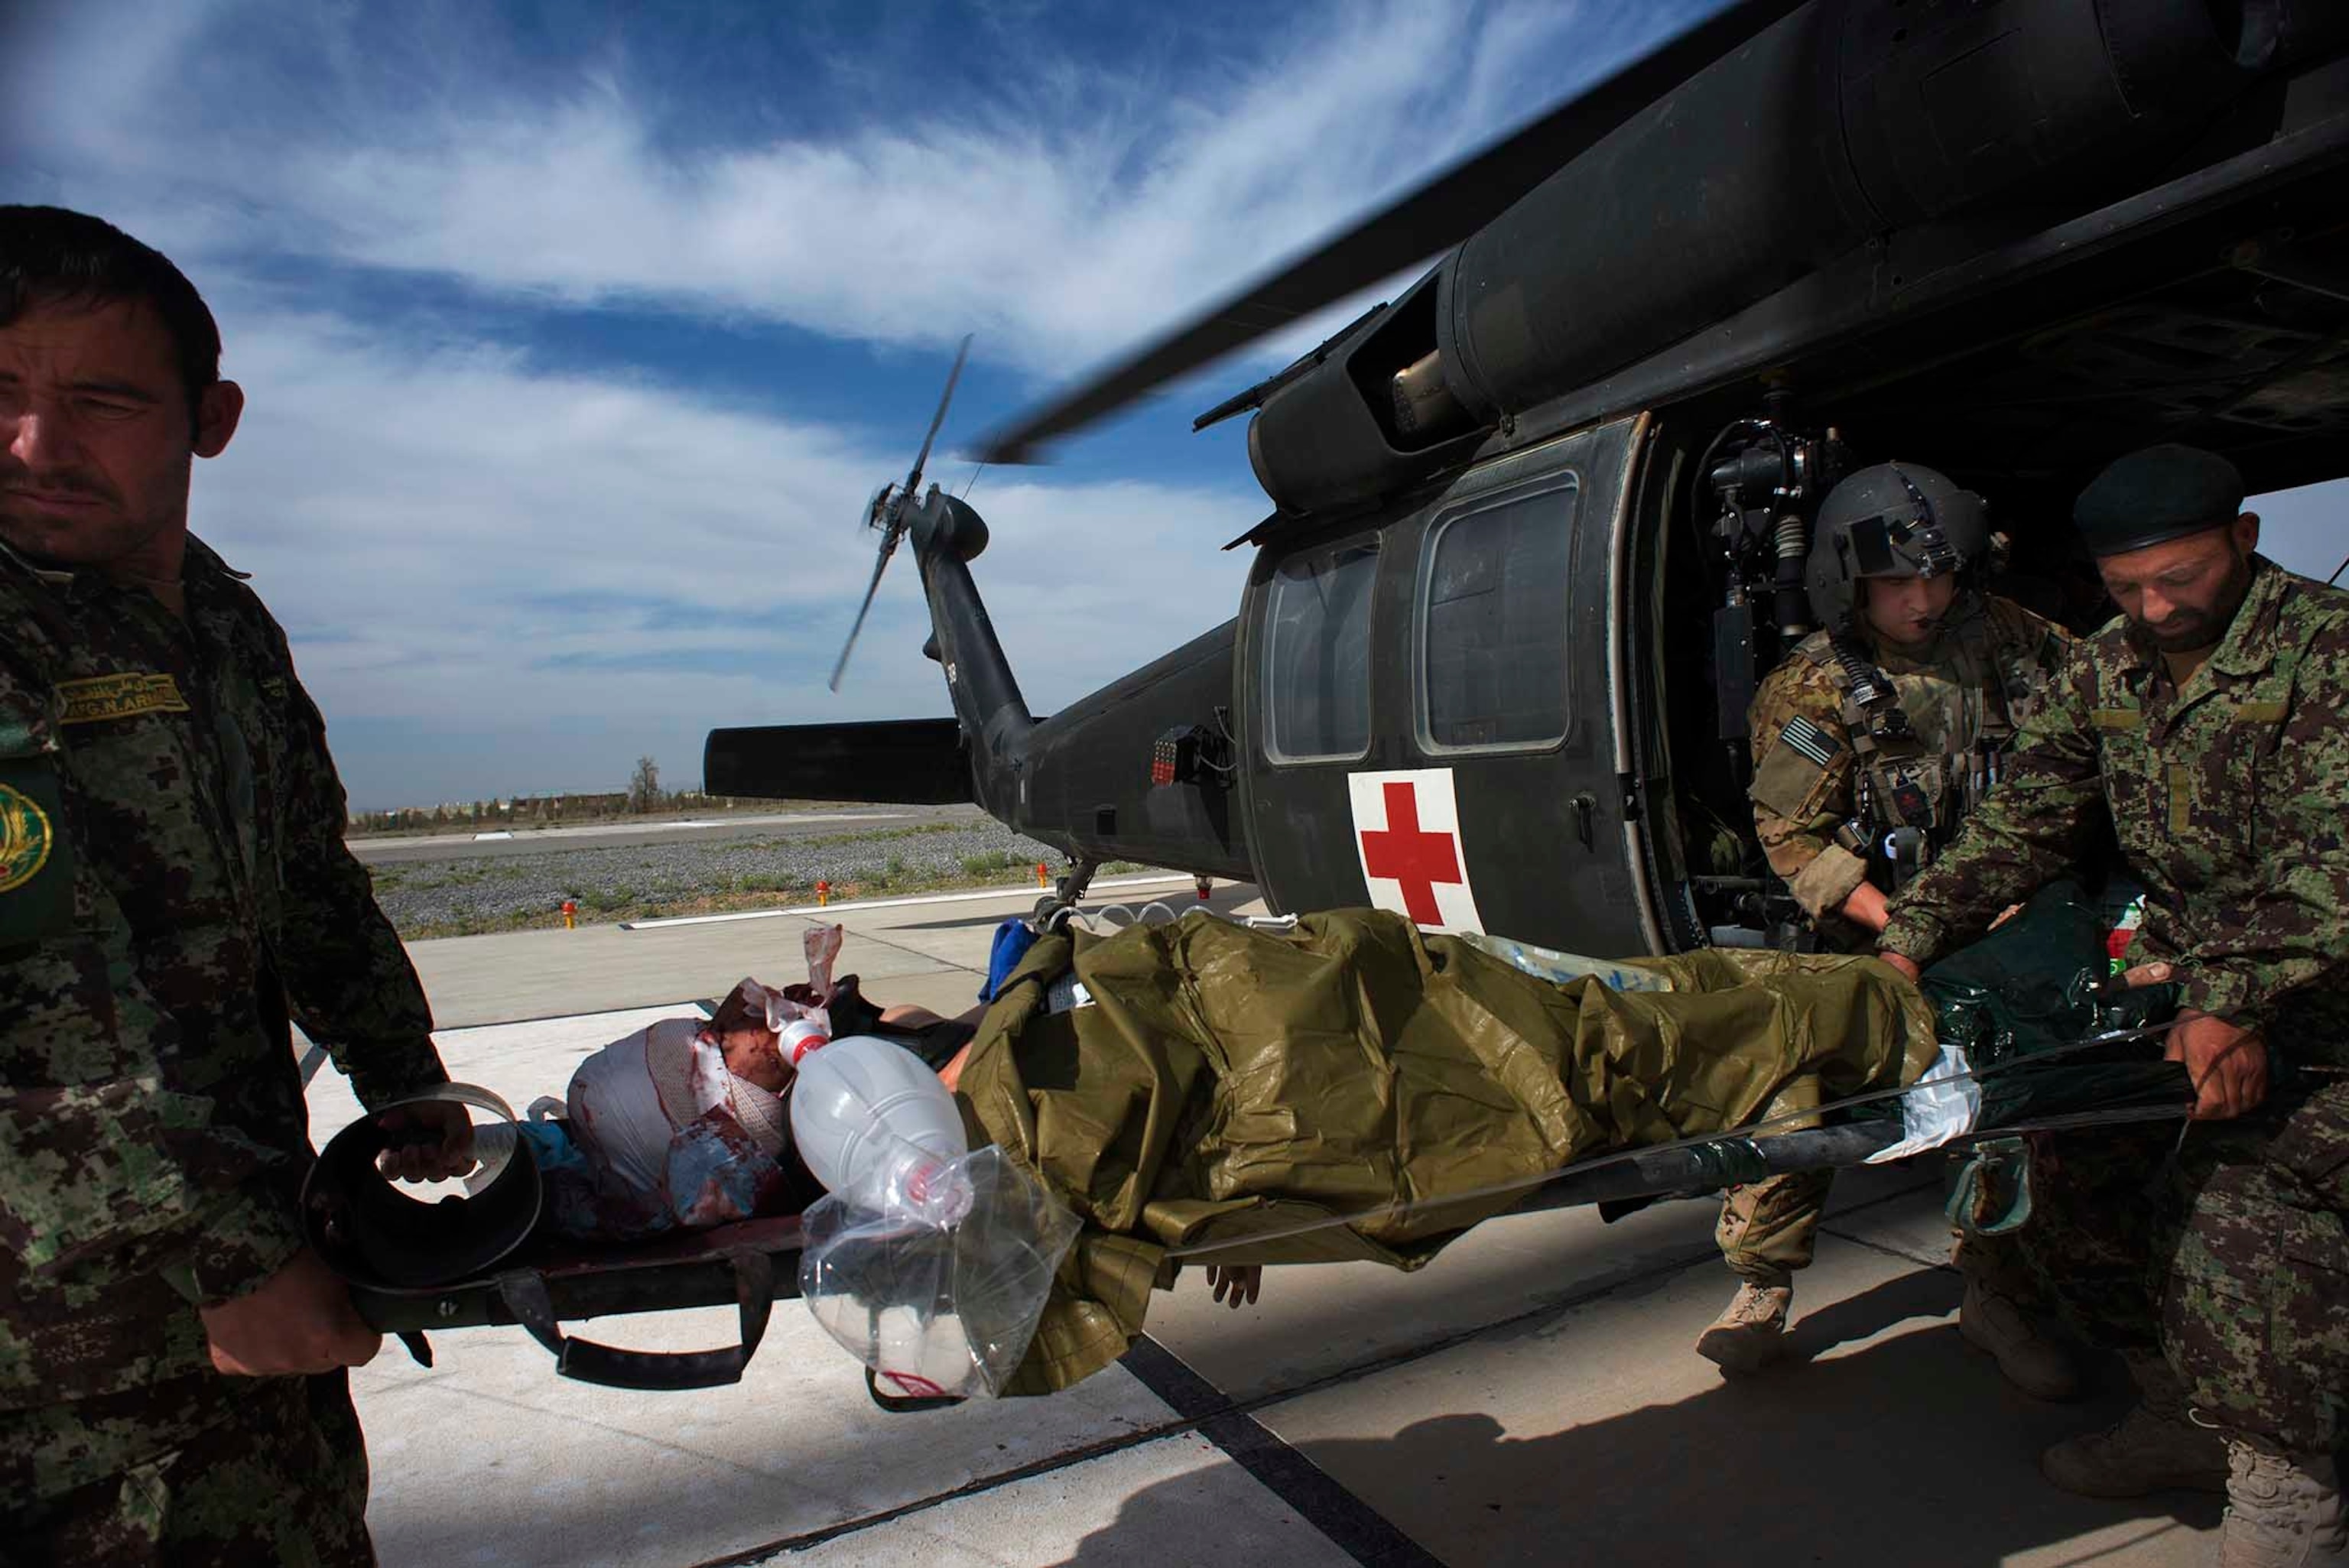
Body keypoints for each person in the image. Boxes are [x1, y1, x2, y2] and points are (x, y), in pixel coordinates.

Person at [0, 206, 469, 1565]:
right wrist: (223, 1254)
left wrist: (400, 1068)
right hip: (61, 1363)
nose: (33, 444)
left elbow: (307, 877)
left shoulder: (218, 622)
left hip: (255, 1306)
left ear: (211, 421)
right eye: (1, 395)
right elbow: (34, 1009)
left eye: (98, 401)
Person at [1876, 443, 2349, 1566]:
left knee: (2245, 1228)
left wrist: (2229, 1001)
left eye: (2180, 577)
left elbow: (2332, 861)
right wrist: (1907, 938)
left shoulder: (2329, 655)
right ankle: (2179, 1416)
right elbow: (2024, 820)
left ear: (2244, 539)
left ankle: (2291, 1491)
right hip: (2191, 1001)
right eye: (2127, 586)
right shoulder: (2106, 666)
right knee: (2077, 1187)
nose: (2156, 608)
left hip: (2326, 1011)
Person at [1701, 461, 2079, 1388]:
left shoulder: (2009, 638)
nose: (1924, 599)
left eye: (1939, 576)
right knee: (1800, 1105)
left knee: (2000, 1112)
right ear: (1851, 582)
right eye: (1899, 582)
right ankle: (1761, 1283)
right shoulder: (1812, 689)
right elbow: (1791, 834)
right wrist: (1899, 921)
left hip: (1997, 928)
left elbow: (2094, 708)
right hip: (1863, 931)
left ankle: (1992, 1288)